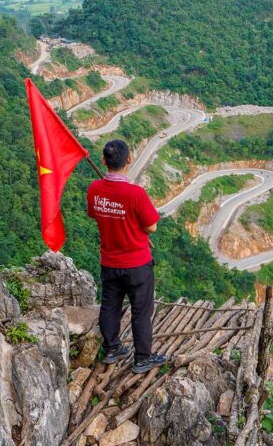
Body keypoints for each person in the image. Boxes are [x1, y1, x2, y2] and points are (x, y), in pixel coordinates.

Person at [86, 139, 167, 373]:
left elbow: (95, 214)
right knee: (141, 310)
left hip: (109, 261)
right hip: (137, 263)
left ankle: (112, 349)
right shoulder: (135, 193)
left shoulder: (95, 189)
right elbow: (151, 226)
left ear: (103, 161)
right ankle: (142, 358)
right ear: (129, 159)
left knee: (110, 305)